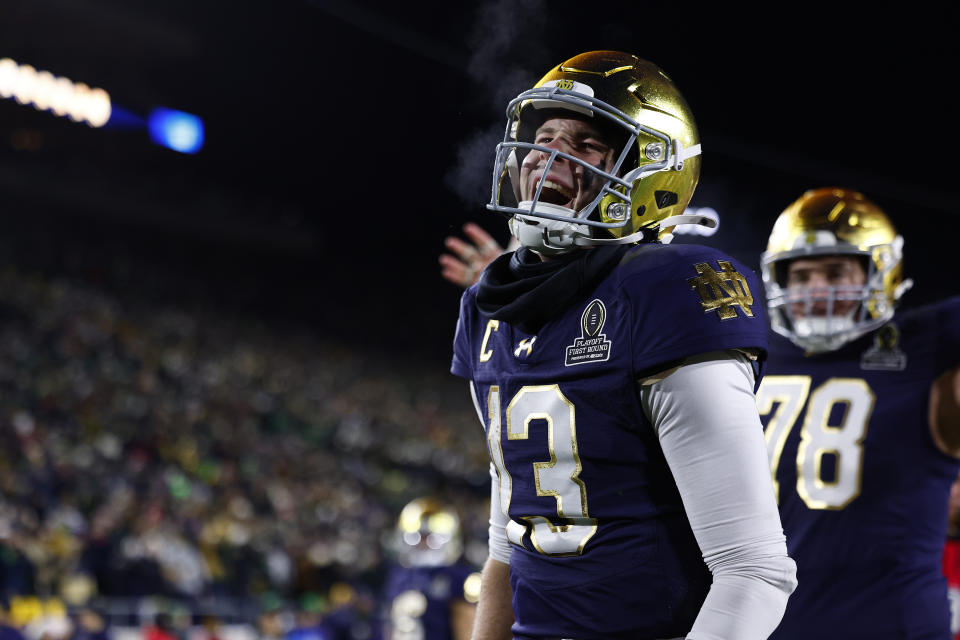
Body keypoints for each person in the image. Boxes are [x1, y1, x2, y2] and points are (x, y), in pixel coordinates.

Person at [450, 50, 796, 640]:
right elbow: (507, 544)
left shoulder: (664, 290)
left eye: (587, 145)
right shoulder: (492, 307)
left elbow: (753, 570)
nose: (548, 155)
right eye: (545, 136)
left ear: (653, 173)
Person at [756, 187, 960, 639]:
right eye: (802, 275)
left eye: (836, 272)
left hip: (888, 621)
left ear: (879, 272)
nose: (817, 291)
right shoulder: (752, 354)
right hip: (767, 623)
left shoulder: (925, 347)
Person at [380, 497, 480, 640]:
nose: (423, 543)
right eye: (417, 537)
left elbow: (468, 629)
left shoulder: (459, 577)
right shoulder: (399, 574)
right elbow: (389, 626)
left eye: (430, 537)